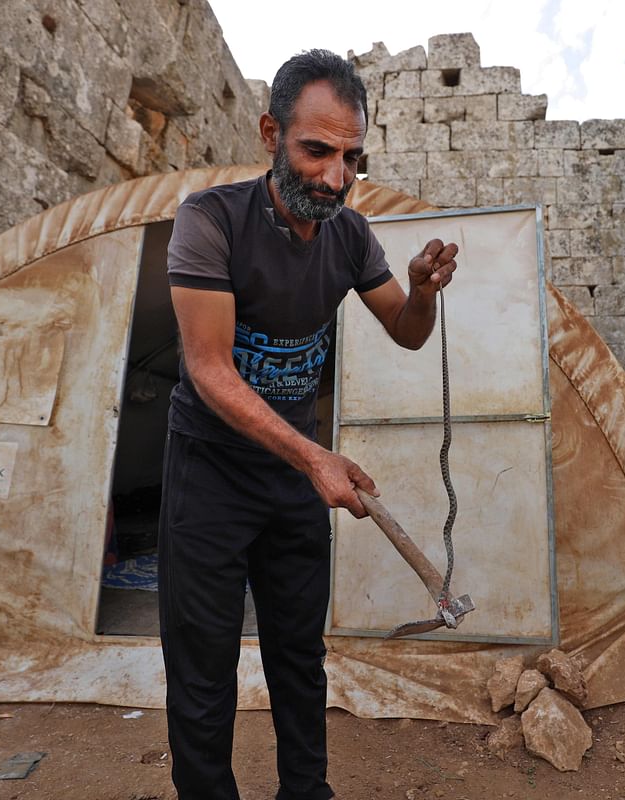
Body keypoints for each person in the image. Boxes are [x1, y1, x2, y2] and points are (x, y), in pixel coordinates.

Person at [158, 49, 458, 800]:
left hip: (291, 478)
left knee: (298, 652)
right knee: (203, 662)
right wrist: (315, 457)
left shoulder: (351, 235)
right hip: (209, 470)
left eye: (351, 156)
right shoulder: (210, 221)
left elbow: (408, 331)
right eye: (316, 150)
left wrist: (420, 290)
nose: (334, 176)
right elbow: (210, 370)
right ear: (270, 132)